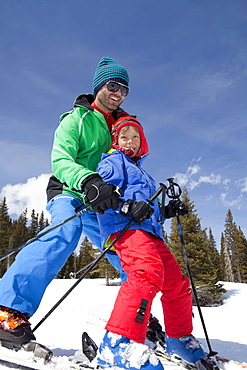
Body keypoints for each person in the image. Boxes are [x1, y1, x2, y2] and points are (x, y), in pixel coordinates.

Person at [0, 57, 131, 347]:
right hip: (70, 191)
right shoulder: (77, 119)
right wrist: (89, 181)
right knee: (63, 233)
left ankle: (135, 317)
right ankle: (7, 309)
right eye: (113, 85)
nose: (118, 93)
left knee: (127, 251)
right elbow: (60, 160)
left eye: (124, 89)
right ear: (99, 85)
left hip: (100, 199)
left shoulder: (122, 129)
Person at [95, 116, 209, 370]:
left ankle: (178, 339)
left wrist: (166, 212)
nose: (130, 141)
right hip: (124, 228)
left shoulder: (142, 173)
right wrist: (126, 206)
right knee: (145, 272)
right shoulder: (114, 162)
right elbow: (105, 195)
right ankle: (117, 345)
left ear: (141, 143)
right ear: (116, 140)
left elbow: (149, 210)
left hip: (150, 232)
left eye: (135, 137)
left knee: (177, 284)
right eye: (124, 136)